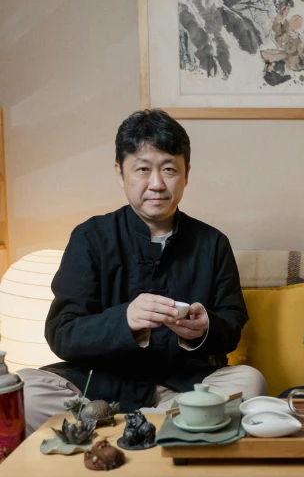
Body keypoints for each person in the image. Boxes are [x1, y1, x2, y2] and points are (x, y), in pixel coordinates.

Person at [20, 109, 266, 433]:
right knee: (24, 388)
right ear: (120, 174)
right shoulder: (90, 237)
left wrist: (205, 329)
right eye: (143, 169)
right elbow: (62, 333)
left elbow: (231, 327)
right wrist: (124, 321)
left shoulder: (212, 243)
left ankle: (124, 430)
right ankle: (167, 429)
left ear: (186, 173)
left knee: (250, 381)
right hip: (101, 387)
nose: (157, 184)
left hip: (183, 385)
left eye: (169, 169)